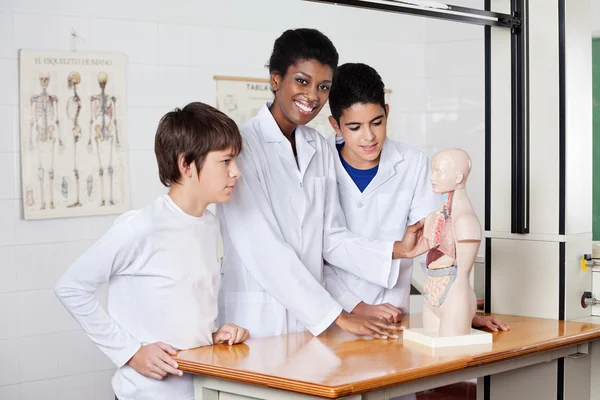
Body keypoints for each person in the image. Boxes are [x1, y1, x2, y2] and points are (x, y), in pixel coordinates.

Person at [216, 28, 428, 341]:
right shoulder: (242, 146)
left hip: (308, 323)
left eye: (323, 86)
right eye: (302, 81)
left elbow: (331, 238)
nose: (313, 96)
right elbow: (262, 248)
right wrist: (338, 315)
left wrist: (398, 249)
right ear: (275, 79)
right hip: (257, 320)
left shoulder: (316, 146)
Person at [54, 102, 250, 400]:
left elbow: (182, 304)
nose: (236, 172)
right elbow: (70, 287)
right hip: (143, 394)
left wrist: (213, 334)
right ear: (186, 165)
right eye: (225, 161)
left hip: (199, 390)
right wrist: (130, 352)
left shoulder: (210, 225)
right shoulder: (140, 226)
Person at [324, 62, 509, 333]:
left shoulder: (412, 163)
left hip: (394, 316)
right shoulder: (318, 164)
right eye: (355, 127)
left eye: (377, 122)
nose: (369, 136)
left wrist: (457, 309)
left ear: (387, 112)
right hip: (332, 314)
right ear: (335, 125)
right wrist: (354, 305)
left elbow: (433, 247)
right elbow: (316, 250)